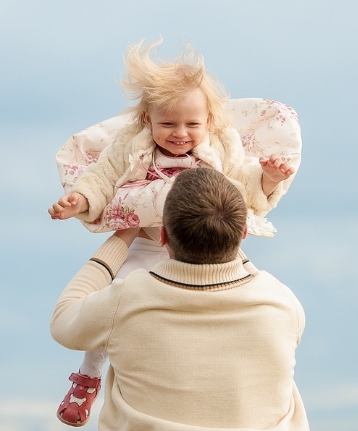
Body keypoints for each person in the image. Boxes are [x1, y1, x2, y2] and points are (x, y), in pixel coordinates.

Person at [47, 40, 296, 426]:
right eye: (168, 123)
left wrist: (268, 178)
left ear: (209, 121)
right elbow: (102, 180)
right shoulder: (130, 147)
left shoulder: (220, 148)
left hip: (204, 247)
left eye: (192, 124)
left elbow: (242, 186)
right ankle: (89, 376)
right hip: (146, 244)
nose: (180, 134)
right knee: (111, 304)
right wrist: (80, 200)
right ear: (146, 119)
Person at [50, 168, 309, 430]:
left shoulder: (127, 300)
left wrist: (123, 236)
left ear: (162, 236)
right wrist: (225, 234)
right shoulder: (282, 304)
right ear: (243, 233)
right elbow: (247, 274)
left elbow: (63, 320)